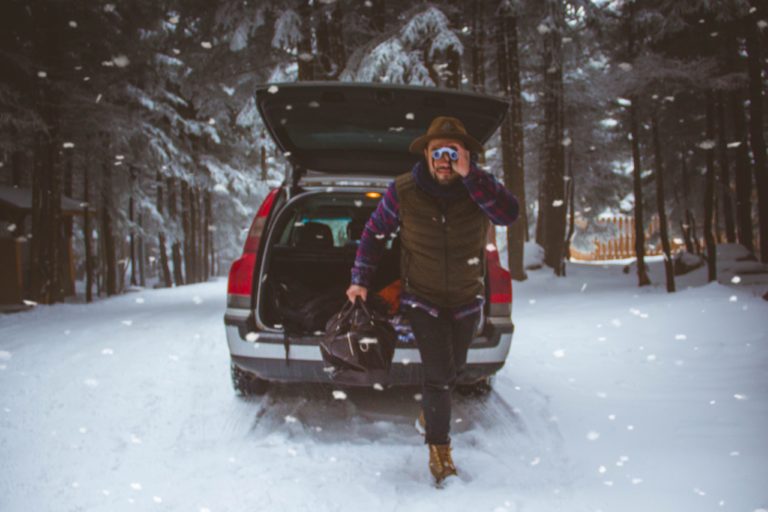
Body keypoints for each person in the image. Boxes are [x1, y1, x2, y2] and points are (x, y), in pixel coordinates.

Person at [346, 116, 519, 484]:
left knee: (454, 371)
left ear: (465, 155)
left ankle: (430, 412)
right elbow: (374, 234)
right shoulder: (404, 190)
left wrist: (472, 176)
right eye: (436, 151)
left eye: (451, 152)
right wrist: (359, 280)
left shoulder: (479, 188)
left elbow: (509, 214)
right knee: (439, 375)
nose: (443, 160)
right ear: (425, 154)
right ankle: (440, 453)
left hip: (466, 298)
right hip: (422, 298)